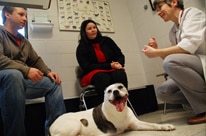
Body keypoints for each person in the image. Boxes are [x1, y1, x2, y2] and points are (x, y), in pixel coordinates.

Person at [0, 6, 66, 136]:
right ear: (7, 14)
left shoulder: (24, 41)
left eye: (26, 15)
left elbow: (36, 60)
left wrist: (48, 72)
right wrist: (26, 70)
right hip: (6, 81)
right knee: (14, 75)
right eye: (21, 14)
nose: (25, 18)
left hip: (19, 81)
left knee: (54, 83)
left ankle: (57, 131)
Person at [142, 0, 206, 124]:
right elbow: (173, 60)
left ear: (174, 2)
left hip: (203, 61)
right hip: (194, 68)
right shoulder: (173, 32)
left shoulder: (192, 14)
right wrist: (158, 51)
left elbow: (188, 47)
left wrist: (158, 52)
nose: (158, 12)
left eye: (160, 7)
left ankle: (203, 108)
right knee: (163, 92)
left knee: (170, 62)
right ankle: (199, 101)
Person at [76, 19, 128, 102]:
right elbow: (87, 66)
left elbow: (119, 55)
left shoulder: (107, 41)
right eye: (89, 29)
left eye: (94, 27)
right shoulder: (81, 47)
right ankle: (107, 106)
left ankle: (123, 104)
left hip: (112, 69)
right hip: (93, 72)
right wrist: (109, 65)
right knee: (102, 78)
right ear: (84, 32)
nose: (93, 30)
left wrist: (120, 64)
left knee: (119, 74)